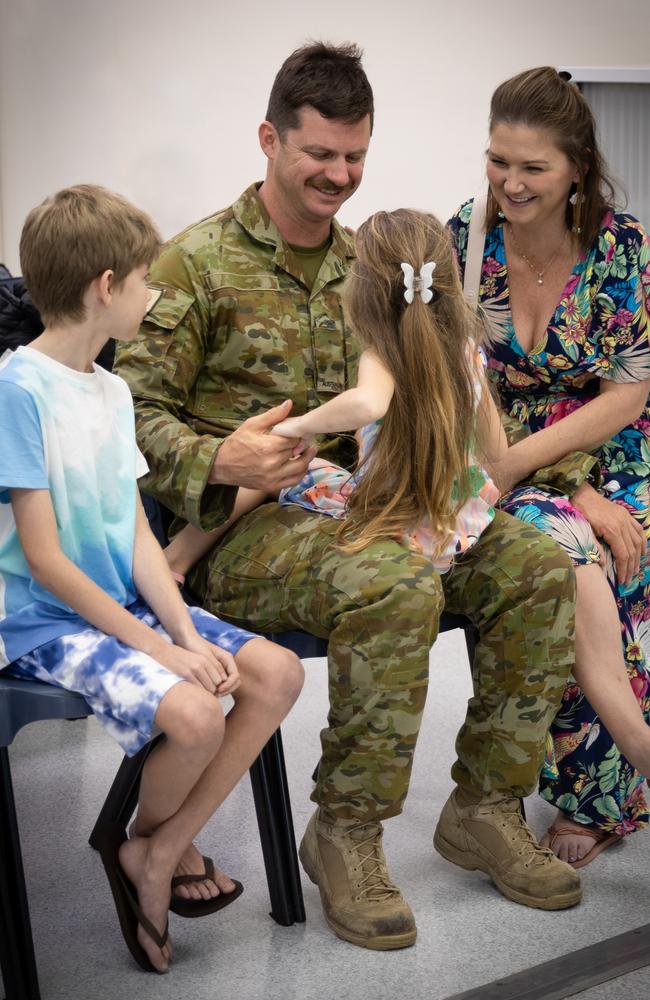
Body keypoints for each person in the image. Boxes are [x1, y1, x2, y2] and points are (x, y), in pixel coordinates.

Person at [115, 41, 583, 951]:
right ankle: (346, 833)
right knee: (391, 582)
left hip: (367, 503)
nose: (339, 175)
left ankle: (485, 807)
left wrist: (564, 487)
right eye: (319, 154)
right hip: (242, 534)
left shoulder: (375, 266)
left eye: (355, 156)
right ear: (268, 140)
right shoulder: (194, 266)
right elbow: (128, 418)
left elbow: (458, 398)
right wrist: (224, 461)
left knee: (533, 565)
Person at [0, 185, 304, 974]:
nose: (154, 293)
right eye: (145, 280)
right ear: (107, 287)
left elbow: (137, 534)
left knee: (273, 673)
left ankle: (156, 850)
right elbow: (44, 560)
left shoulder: (113, 389)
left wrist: (179, 628)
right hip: (45, 618)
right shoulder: (16, 391)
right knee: (197, 715)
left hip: (123, 604)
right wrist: (163, 652)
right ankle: (153, 847)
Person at [448, 66, 650, 869]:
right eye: (499, 161)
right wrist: (541, 484)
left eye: (533, 167)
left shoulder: (619, 245)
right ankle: (605, 780)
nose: (511, 182)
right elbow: (457, 377)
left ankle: (608, 789)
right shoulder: (464, 237)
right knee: (568, 556)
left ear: (576, 168)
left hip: (611, 445)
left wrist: (577, 482)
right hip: (502, 455)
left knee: (628, 547)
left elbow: (629, 393)